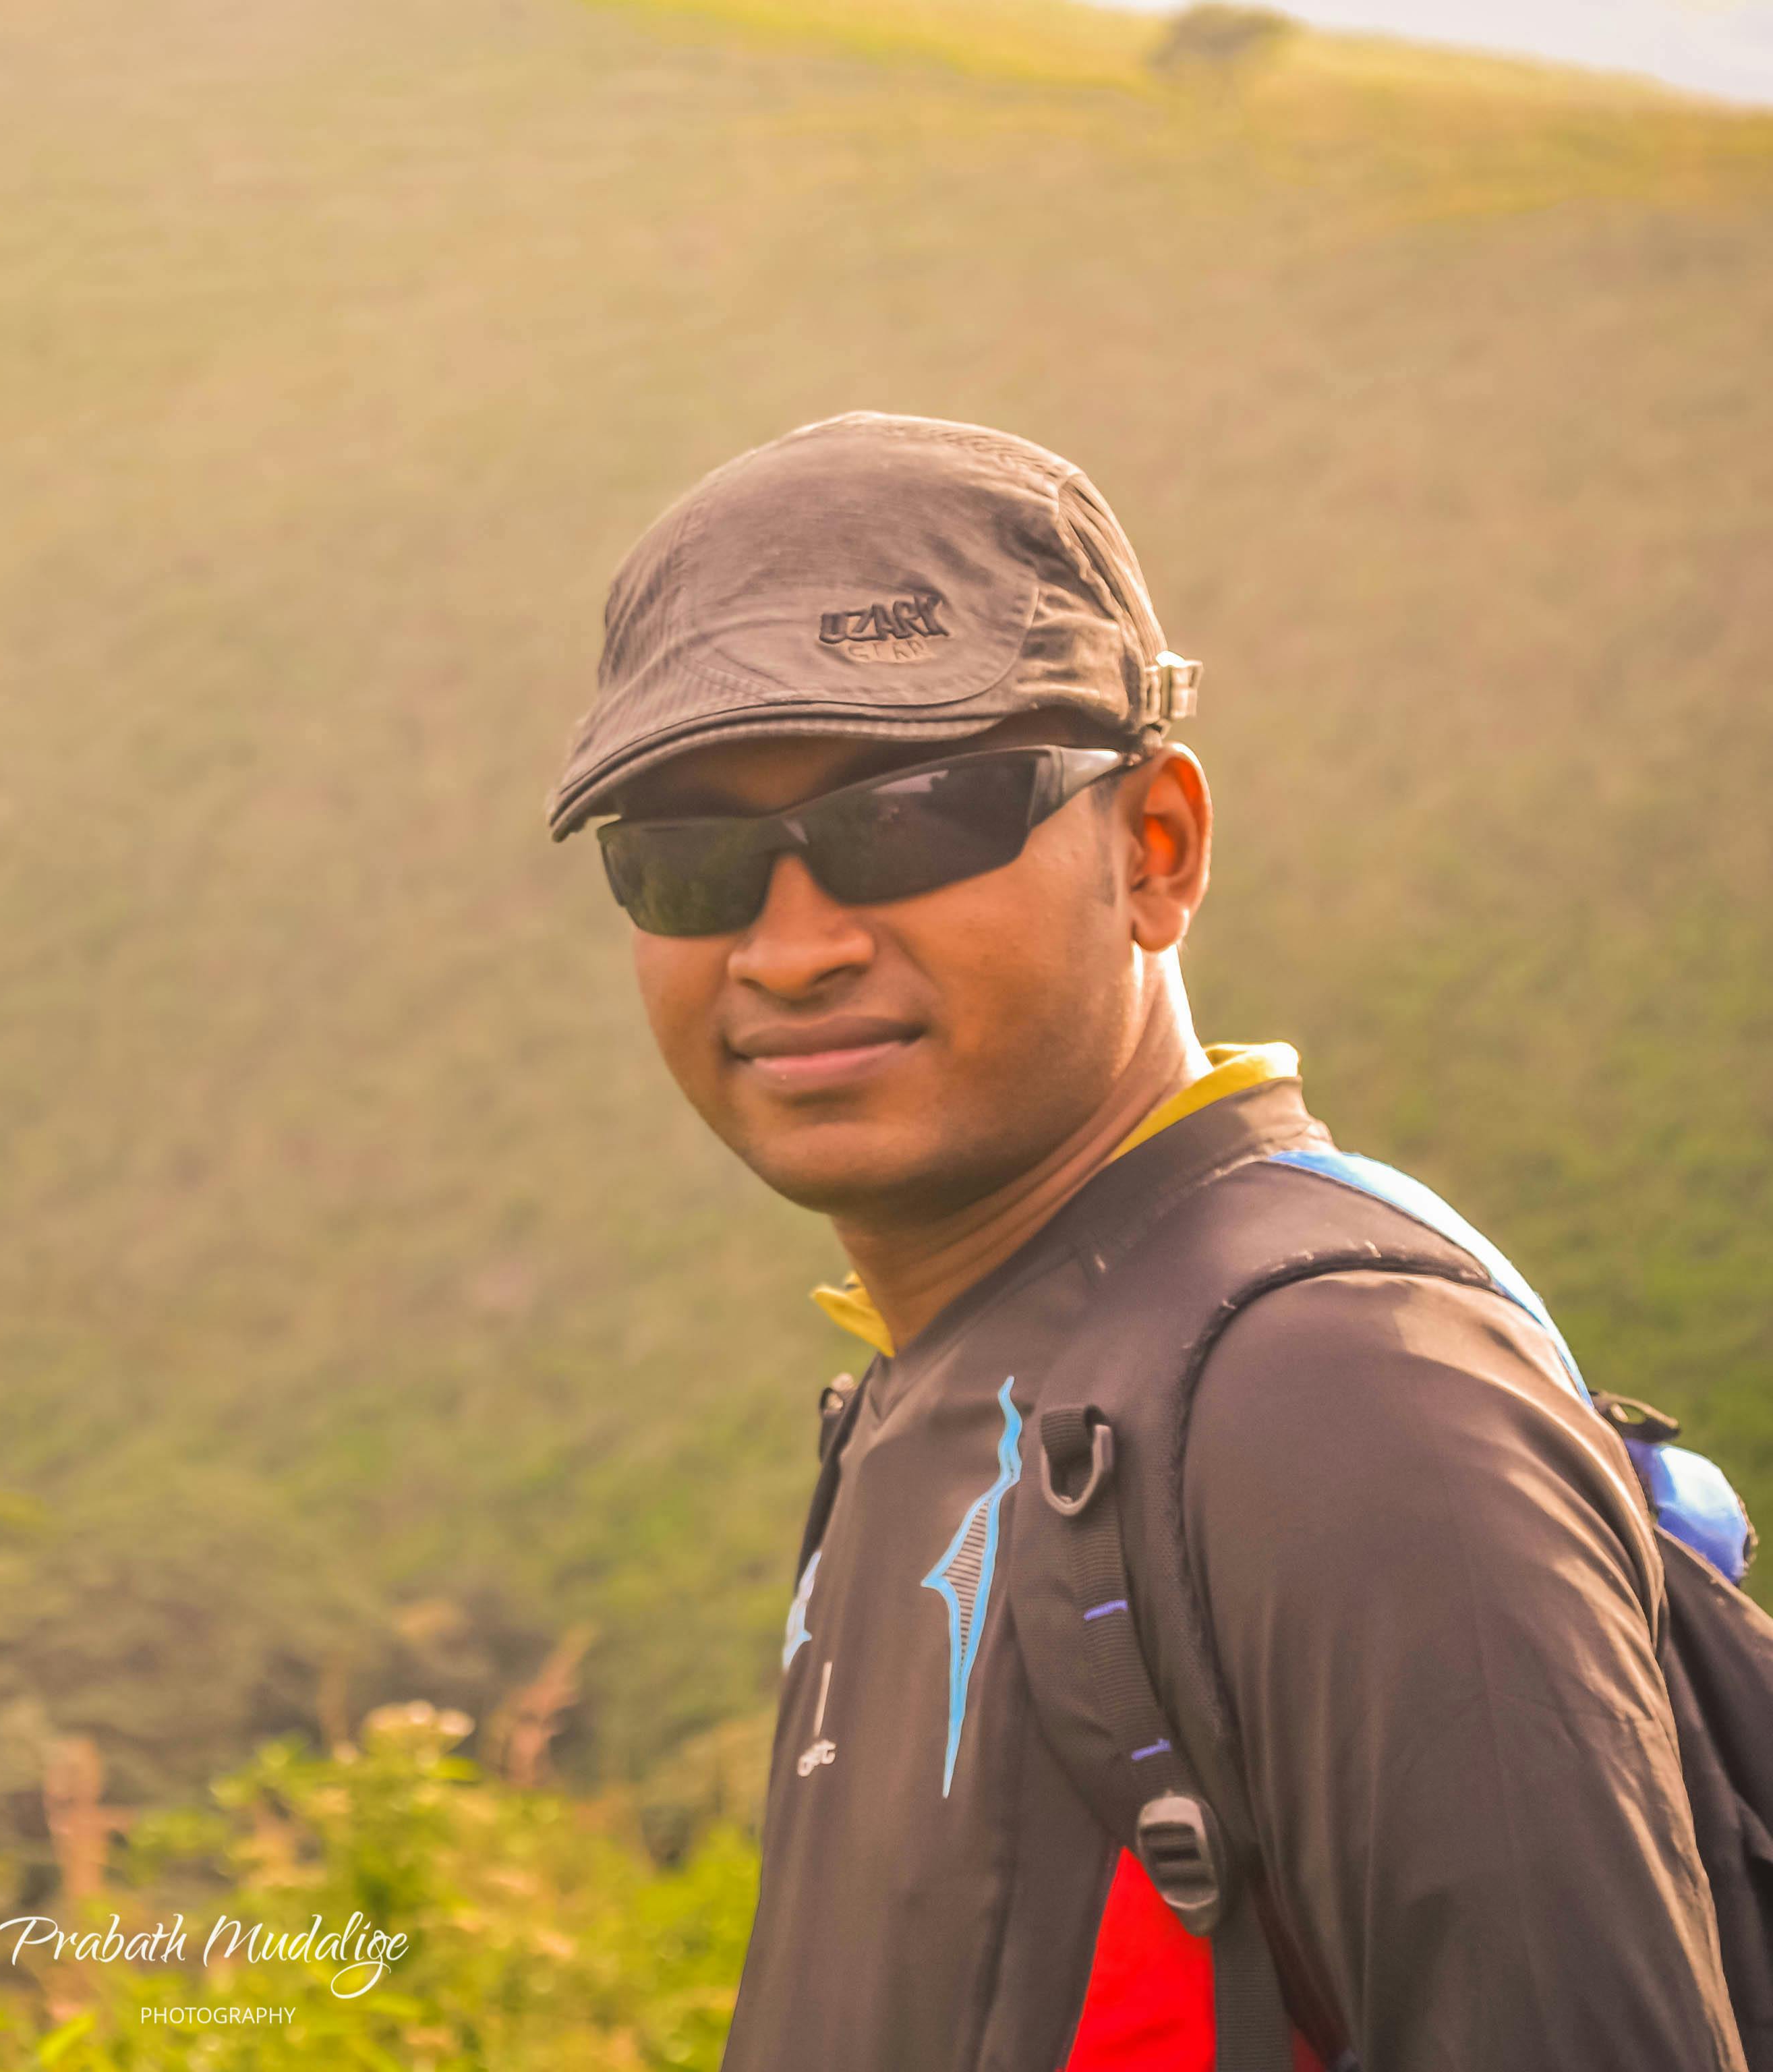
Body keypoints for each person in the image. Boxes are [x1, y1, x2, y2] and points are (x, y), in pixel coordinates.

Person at [546, 412, 1743, 2070]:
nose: (793, 944)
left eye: (915, 816)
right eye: (691, 862)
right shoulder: (935, 1399)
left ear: (1155, 848)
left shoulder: (1340, 1406)